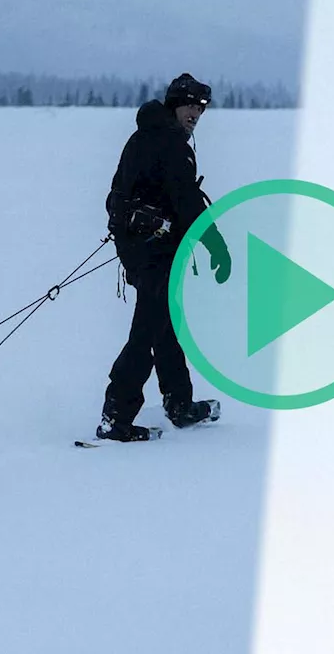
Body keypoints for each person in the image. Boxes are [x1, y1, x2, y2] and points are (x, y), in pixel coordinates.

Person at [99, 72, 232, 443]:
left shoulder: (143, 136)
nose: (196, 113)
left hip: (137, 247)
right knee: (148, 331)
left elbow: (118, 195)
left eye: (201, 107)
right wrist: (216, 245)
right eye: (190, 105)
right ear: (174, 105)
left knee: (164, 322)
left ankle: (179, 404)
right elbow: (187, 202)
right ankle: (117, 416)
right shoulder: (169, 144)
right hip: (153, 250)